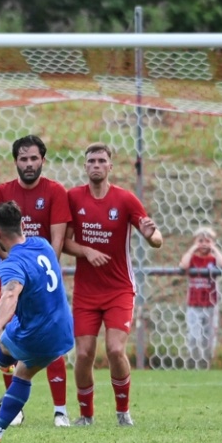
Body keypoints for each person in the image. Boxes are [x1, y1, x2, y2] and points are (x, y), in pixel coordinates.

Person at [63, 143, 163, 426]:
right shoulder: (73, 198)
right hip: (85, 292)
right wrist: (87, 251)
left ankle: (122, 412)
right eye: (91, 161)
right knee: (83, 354)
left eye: (101, 161)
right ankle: (86, 416)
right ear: (85, 167)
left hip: (119, 289)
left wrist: (150, 236)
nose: (96, 165)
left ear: (110, 167)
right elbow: (65, 242)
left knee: (116, 350)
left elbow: (156, 238)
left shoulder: (125, 200)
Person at [0, 201, 74, 443]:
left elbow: (10, 294)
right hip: (64, 332)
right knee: (23, 373)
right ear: (22, 224)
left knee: (8, 348)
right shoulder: (43, 244)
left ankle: (0, 354)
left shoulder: (12, 265)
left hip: (33, 337)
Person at [0, 134, 74, 427]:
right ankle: (16, 412)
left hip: (39, 279)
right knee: (14, 340)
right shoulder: (2, 191)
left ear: (43, 159)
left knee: (42, 343)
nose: (29, 164)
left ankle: (60, 410)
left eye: (34, 158)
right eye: (23, 159)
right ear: (15, 161)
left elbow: (57, 243)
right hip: (12, 273)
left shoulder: (55, 191)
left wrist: (37, 279)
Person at [179, 226, 222, 369]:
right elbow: (183, 265)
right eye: (201, 240)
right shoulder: (192, 258)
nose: (204, 244)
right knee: (194, 337)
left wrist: (214, 248)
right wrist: (193, 248)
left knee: (209, 339)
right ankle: (194, 364)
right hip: (194, 304)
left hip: (211, 304)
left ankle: (207, 364)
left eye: (208, 241)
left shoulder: (213, 259)